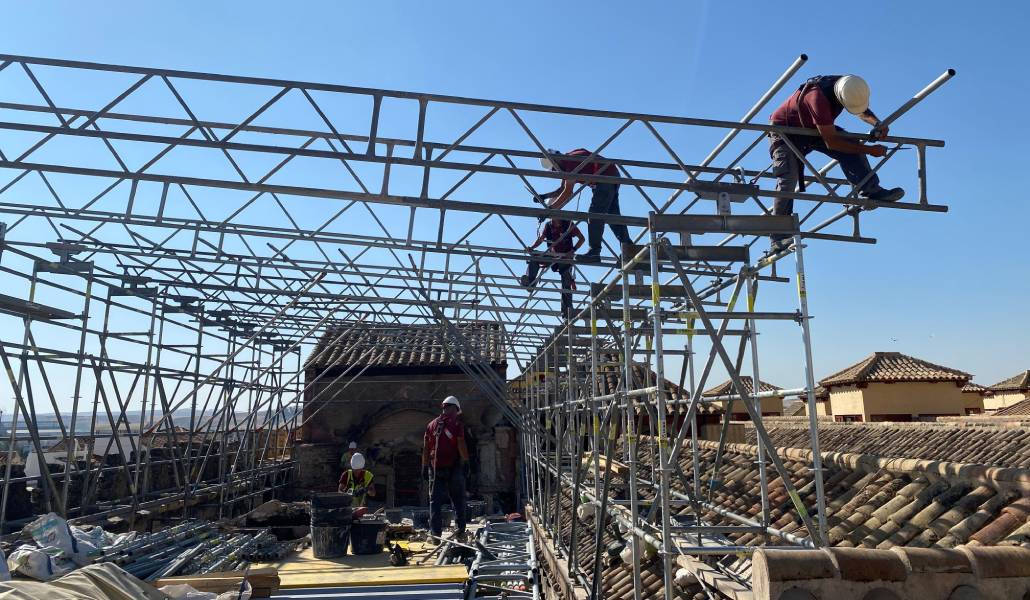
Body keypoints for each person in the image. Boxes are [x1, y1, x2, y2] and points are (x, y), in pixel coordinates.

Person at [768, 74, 904, 252]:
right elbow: (832, 142)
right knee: (788, 178)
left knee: (852, 146)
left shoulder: (848, 85)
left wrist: (877, 123)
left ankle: (871, 191)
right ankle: (778, 238)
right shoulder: (818, 98)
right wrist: (870, 150)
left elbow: (859, 108)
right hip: (784, 131)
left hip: (811, 127)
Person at [538, 148, 630, 263]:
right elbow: (562, 188)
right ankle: (629, 249)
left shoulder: (570, 164)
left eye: (553, 169)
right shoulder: (568, 162)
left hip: (604, 178)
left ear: (556, 162)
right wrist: (545, 196)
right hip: (609, 176)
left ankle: (594, 252)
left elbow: (567, 192)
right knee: (613, 217)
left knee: (594, 216)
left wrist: (549, 211)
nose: (556, 172)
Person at [422, 396, 470, 538]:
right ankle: (460, 530)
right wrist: (466, 461)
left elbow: (425, 447)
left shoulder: (431, 425)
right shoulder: (456, 424)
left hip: (434, 468)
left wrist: (424, 466)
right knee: (457, 498)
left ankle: (435, 535)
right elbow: (461, 443)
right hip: (453, 466)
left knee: (434, 501)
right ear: (454, 409)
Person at [520, 217, 584, 318]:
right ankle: (530, 282)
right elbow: (541, 239)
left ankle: (567, 314)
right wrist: (532, 248)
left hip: (565, 257)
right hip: (553, 255)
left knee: (566, 283)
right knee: (535, 258)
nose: (554, 221)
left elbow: (582, 238)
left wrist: (573, 250)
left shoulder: (569, 224)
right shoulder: (548, 225)